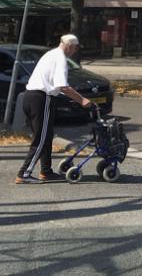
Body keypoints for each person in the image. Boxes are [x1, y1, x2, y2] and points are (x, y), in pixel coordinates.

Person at [15, 34, 91, 184]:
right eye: (75, 48)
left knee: (46, 135)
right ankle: (24, 173)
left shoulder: (50, 54)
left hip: (29, 96)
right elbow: (62, 86)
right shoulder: (61, 58)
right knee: (41, 139)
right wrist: (82, 100)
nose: (75, 51)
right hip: (42, 98)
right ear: (70, 46)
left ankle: (46, 171)